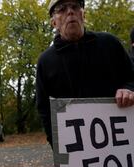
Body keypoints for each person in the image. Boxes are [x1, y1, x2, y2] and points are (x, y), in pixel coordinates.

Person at [35, 0, 134, 148]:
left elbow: (132, 77)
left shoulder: (110, 44)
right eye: (62, 9)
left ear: (83, 15)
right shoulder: (45, 61)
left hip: (121, 144)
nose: (70, 12)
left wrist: (129, 88)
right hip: (77, 154)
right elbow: (44, 109)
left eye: (75, 7)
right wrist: (56, 144)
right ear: (53, 23)